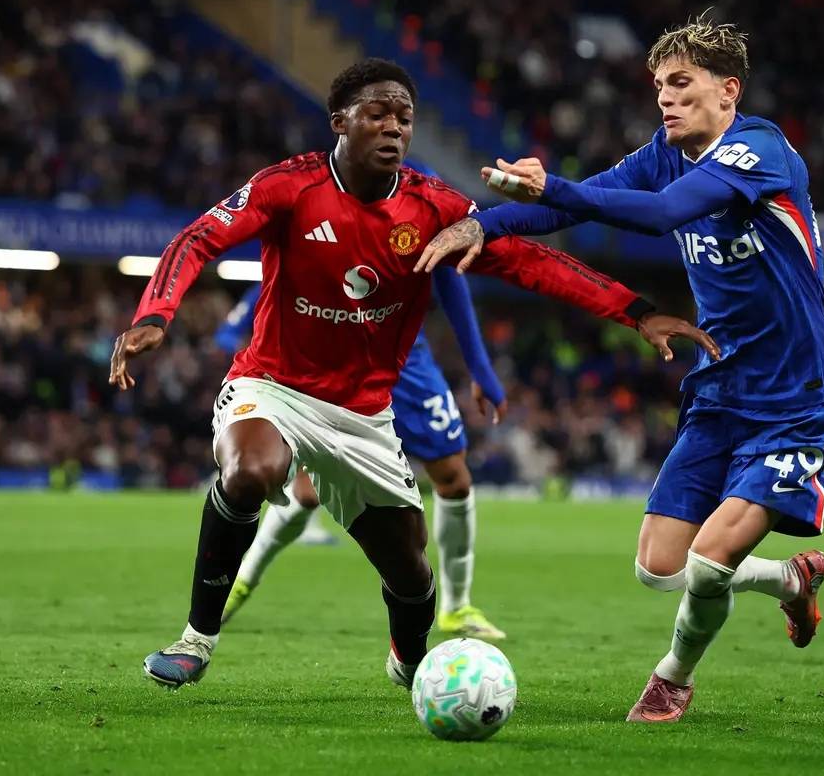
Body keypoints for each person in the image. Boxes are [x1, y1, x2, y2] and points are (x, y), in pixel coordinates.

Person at [108, 58, 718, 690]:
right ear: (340, 121)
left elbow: (529, 262)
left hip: (364, 414)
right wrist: (155, 314)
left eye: (404, 117)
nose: (394, 127)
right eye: (378, 114)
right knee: (249, 470)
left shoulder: (433, 207)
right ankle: (196, 640)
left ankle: (410, 662)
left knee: (409, 567)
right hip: (273, 386)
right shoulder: (288, 187)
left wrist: (635, 311)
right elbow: (198, 239)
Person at [416, 20, 824, 722]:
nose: (665, 99)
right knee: (658, 566)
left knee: (709, 561)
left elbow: (660, 214)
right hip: (721, 390)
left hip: (797, 394)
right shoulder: (663, 153)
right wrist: (483, 225)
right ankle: (789, 581)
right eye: (658, 87)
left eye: (681, 84)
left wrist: (552, 187)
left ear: (728, 90)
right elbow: (570, 207)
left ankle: (671, 679)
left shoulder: (761, 150)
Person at [215, 266, 510, 641]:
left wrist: (480, 368)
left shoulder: (421, 229)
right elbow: (289, 266)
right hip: (334, 358)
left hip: (407, 361)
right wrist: (240, 323)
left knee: (454, 477)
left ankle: (457, 606)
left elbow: (450, 275)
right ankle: (242, 581)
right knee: (307, 490)